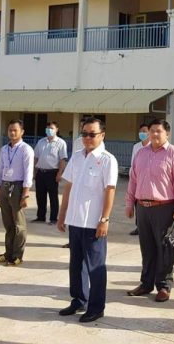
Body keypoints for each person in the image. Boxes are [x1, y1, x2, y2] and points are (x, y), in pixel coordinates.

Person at [57, 118, 117, 323]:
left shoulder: (107, 160)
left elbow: (110, 190)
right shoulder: (76, 157)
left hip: (93, 223)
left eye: (92, 134)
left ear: (102, 135)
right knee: (76, 264)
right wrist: (62, 214)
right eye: (84, 134)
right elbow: (68, 187)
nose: (87, 138)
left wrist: (104, 219)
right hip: (75, 220)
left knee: (95, 267)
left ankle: (96, 307)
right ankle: (79, 299)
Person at [125, 118, 174, 303]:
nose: (154, 134)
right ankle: (146, 284)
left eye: (158, 131)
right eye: (151, 131)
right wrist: (129, 203)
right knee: (147, 248)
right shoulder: (141, 153)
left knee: (165, 249)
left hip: (165, 208)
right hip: (142, 208)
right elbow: (133, 180)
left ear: (167, 133)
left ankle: (164, 286)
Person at [0, 119, 34, 267]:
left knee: (19, 225)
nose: (12, 133)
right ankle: (8, 253)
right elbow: (0, 171)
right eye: (10, 130)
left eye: (15, 130)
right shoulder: (4, 149)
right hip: (5, 186)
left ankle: (17, 255)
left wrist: (25, 194)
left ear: (22, 132)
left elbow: (28, 173)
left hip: (17, 187)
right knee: (8, 223)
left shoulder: (26, 149)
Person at [33, 121, 68, 224]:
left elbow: (62, 159)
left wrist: (60, 173)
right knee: (40, 196)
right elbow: (36, 157)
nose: (49, 130)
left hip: (52, 173)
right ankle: (40, 217)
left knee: (53, 197)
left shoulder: (61, 143)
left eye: (52, 128)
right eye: (48, 128)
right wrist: (34, 172)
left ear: (56, 130)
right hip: (40, 172)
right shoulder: (41, 142)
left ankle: (53, 218)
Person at [128, 123, 150, 236]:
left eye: (145, 131)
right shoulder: (136, 146)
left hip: (149, 180)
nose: (142, 133)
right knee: (137, 204)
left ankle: (148, 228)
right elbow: (133, 163)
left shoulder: (152, 146)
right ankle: (139, 227)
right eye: (141, 131)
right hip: (137, 179)